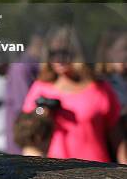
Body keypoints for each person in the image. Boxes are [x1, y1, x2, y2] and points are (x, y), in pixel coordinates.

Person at [22, 27, 125, 163]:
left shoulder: (100, 89)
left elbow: (117, 139)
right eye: (53, 53)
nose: (58, 59)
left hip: (97, 170)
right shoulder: (40, 88)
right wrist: (41, 115)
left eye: (64, 52)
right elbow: (26, 136)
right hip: (54, 171)